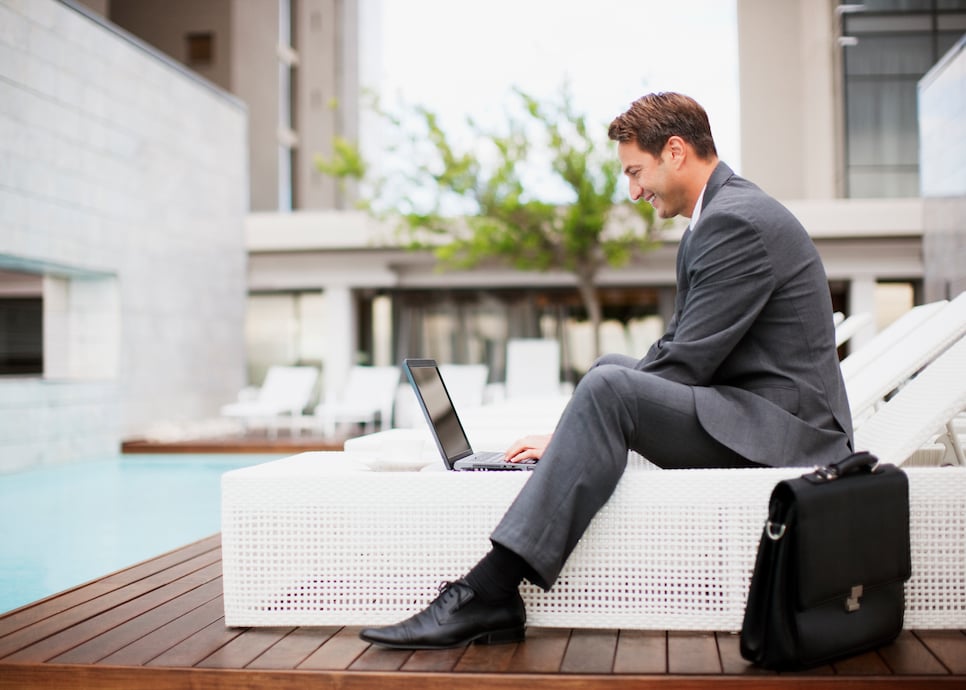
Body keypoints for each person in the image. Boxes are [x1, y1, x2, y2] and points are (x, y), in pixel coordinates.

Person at [359, 92, 854, 650]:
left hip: (790, 431)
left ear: (675, 151)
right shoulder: (719, 216)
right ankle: (504, 572)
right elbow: (679, 346)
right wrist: (574, 430)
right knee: (612, 369)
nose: (634, 191)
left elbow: (688, 359)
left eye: (636, 172)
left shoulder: (736, 222)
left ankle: (490, 590)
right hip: (760, 407)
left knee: (611, 386)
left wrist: (574, 426)